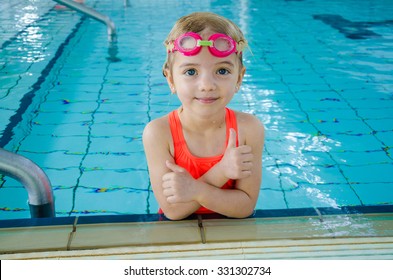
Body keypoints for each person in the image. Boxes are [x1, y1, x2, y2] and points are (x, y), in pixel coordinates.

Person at [143, 12, 265, 220]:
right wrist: (222, 171)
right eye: (191, 72)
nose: (207, 85)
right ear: (171, 79)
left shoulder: (249, 129)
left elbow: (245, 207)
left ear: (239, 78)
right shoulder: (159, 133)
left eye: (223, 71)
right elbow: (174, 211)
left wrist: (195, 190)